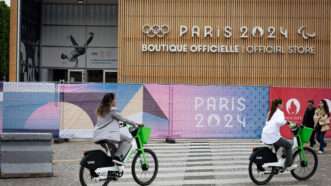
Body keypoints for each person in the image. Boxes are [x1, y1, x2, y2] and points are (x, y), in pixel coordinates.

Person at [94, 93, 140, 164]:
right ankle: (119, 158)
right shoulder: (111, 111)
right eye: (115, 100)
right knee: (128, 140)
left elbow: (107, 123)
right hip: (107, 135)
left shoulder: (100, 110)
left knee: (113, 154)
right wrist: (135, 124)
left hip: (98, 135)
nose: (116, 101)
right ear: (111, 101)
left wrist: (121, 125)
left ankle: (113, 167)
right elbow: (124, 119)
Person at [261, 99, 294, 170]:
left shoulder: (271, 112)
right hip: (272, 135)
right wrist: (288, 123)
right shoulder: (280, 112)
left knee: (280, 146)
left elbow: (268, 122)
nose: (283, 105)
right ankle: (288, 164)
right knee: (288, 145)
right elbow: (280, 122)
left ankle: (277, 164)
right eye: (282, 104)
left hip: (265, 134)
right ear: (279, 105)